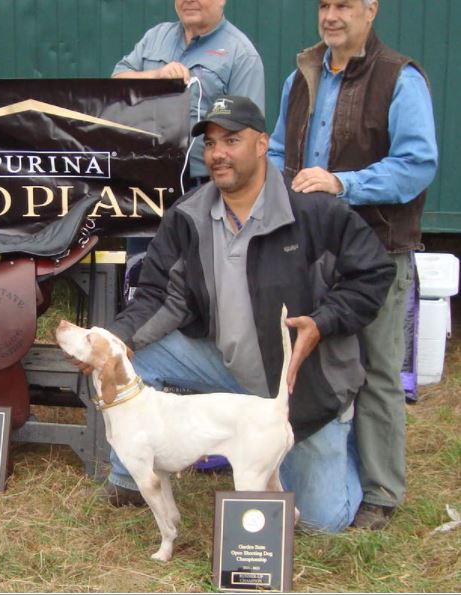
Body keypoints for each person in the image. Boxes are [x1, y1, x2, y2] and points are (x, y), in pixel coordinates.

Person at [96, 96, 396, 533]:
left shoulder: (315, 211)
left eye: (231, 140)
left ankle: (336, 440)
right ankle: (132, 476)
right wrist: (113, 340)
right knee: (133, 356)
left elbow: (374, 273)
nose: (218, 153)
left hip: (302, 383)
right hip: (227, 366)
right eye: (211, 143)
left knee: (320, 522)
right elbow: (158, 295)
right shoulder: (189, 215)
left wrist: (324, 321)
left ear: (262, 144)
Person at [267, 0, 439, 530]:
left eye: (344, 5)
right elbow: (276, 151)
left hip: (377, 250)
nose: (332, 15)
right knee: (313, 364)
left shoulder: (400, 78)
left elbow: (417, 164)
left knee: (379, 370)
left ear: (372, 11)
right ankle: (318, 477)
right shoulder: (300, 76)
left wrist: (344, 183)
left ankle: (382, 492)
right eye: (325, 5)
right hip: (309, 250)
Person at [113, 0, 266, 193]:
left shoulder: (241, 54)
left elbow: (248, 130)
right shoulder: (156, 37)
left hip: (204, 183)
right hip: (144, 177)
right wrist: (155, 75)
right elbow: (115, 85)